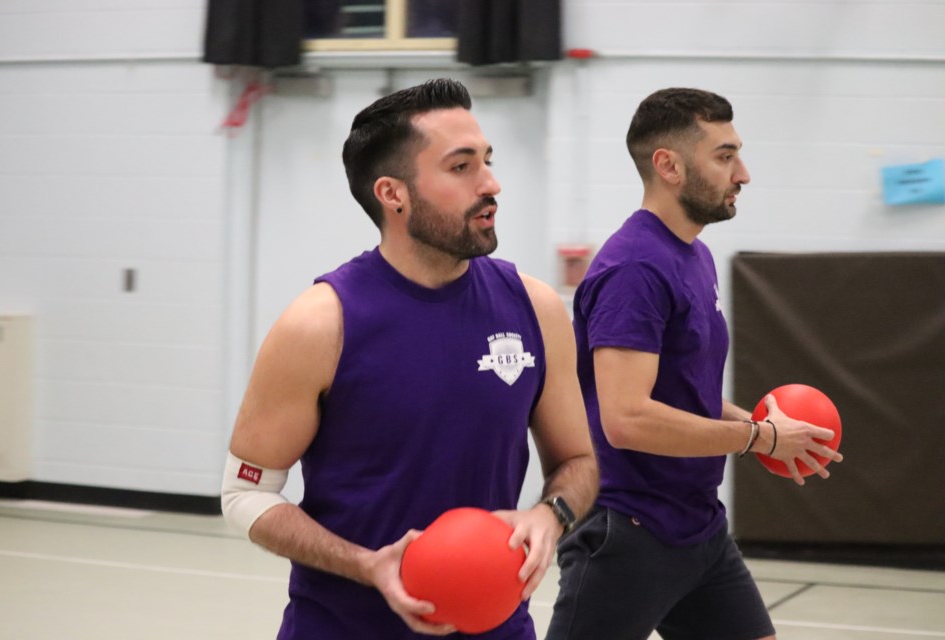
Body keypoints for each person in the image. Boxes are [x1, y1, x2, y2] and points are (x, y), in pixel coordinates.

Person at [220, 78, 598, 639]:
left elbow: (580, 462)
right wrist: (367, 565)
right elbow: (245, 491)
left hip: (497, 627)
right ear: (393, 194)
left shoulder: (536, 309)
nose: (491, 184)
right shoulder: (320, 324)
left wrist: (549, 515)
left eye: (487, 161)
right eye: (461, 166)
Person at [544, 88, 844, 640]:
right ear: (669, 166)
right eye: (725, 156)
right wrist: (756, 438)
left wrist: (766, 429)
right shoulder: (633, 269)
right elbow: (627, 418)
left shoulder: (694, 255)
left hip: (697, 528)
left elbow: (681, 394)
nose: (743, 173)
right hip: (628, 530)